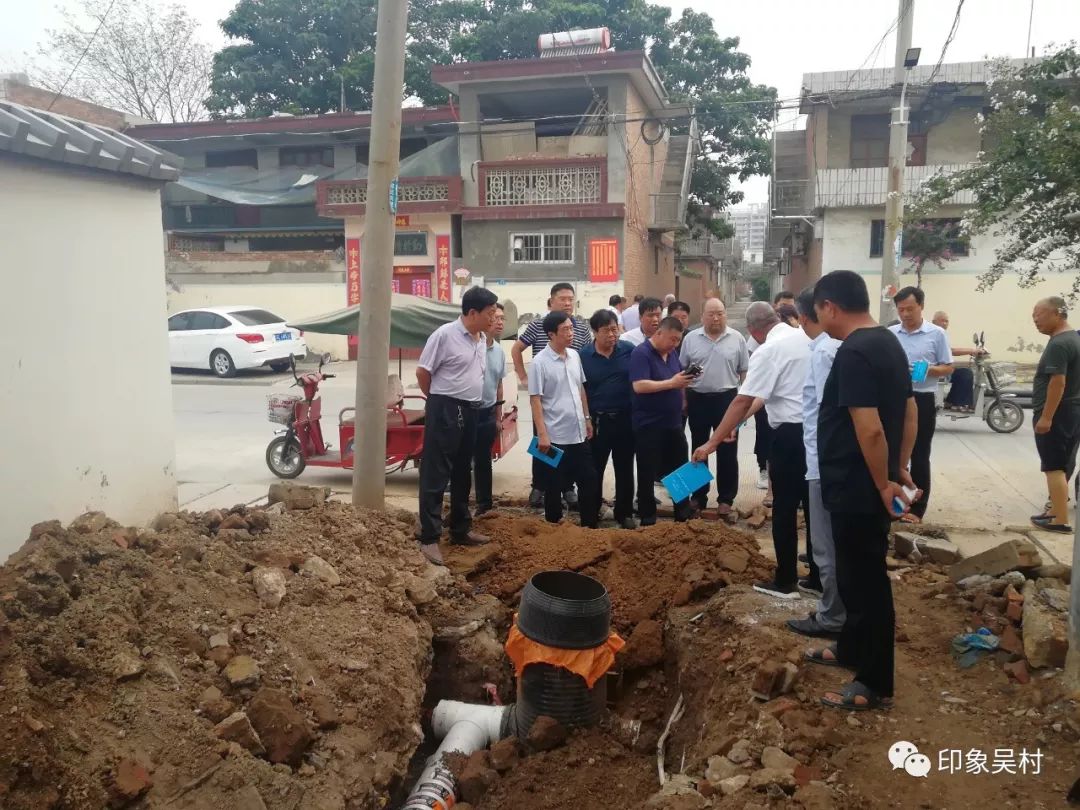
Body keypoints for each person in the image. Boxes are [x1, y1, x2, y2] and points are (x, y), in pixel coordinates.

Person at [807, 270, 917, 712]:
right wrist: (901, 465)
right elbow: (909, 411)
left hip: (857, 486)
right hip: (867, 481)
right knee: (854, 577)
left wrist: (882, 482)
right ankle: (851, 648)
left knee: (866, 581)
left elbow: (868, 429)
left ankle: (872, 681)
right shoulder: (888, 341)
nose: (819, 319)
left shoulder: (854, 352)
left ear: (830, 307)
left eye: (818, 311)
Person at [693, 302, 813, 599]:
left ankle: (786, 581)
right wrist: (736, 424)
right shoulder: (805, 338)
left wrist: (712, 442)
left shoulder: (767, 351)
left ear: (754, 331)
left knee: (784, 506)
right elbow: (763, 395)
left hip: (790, 434)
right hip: (815, 432)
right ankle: (819, 576)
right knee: (813, 505)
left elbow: (742, 400)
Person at [416, 286, 499, 566]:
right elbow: (423, 372)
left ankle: (460, 529)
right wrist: (439, 402)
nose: (494, 318)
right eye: (490, 313)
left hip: (472, 409)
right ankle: (429, 537)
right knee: (436, 471)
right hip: (446, 407)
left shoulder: (481, 338)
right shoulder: (445, 335)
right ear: (472, 312)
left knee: (464, 470)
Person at [786, 288, 845, 638]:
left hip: (824, 465)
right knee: (832, 545)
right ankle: (840, 611)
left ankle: (832, 617)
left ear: (804, 317)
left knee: (826, 547)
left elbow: (828, 413)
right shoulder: (832, 348)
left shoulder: (824, 352)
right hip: (827, 462)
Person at [511, 282, 592, 508]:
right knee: (544, 445)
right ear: (551, 301)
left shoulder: (581, 328)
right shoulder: (538, 325)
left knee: (571, 451)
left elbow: (584, 358)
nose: (567, 303)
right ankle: (540, 487)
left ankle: (568, 489)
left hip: (570, 394)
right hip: (545, 396)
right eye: (562, 299)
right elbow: (517, 348)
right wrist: (523, 376)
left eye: (571, 299)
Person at [528, 311, 600, 528]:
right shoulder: (539, 363)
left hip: (578, 433)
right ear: (551, 334)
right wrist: (542, 434)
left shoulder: (574, 356)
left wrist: (587, 418)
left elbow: (580, 389)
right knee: (553, 485)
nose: (571, 333)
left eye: (572, 328)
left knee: (589, 480)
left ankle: (589, 525)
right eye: (566, 329)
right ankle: (553, 527)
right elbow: (535, 400)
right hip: (554, 436)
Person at [680, 298, 749, 518]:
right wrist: (683, 399)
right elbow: (682, 372)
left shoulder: (737, 339)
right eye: (711, 314)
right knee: (699, 447)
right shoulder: (690, 338)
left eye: (720, 313)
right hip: (697, 398)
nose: (716, 318)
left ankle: (726, 499)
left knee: (728, 449)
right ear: (702, 316)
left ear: (725, 315)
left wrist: (744, 404)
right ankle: (698, 496)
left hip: (727, 399)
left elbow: (744, 372)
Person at [889, 287, 953, 522]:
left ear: (921, 306)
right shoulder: (891, 333)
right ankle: (895, 505)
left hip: (922, 398)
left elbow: (948, 366)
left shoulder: (936, 334)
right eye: (901, 309)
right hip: (895, 400)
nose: (905, 314)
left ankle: (917, 509)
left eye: (910, 309)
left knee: (919, 454)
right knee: (893, 454)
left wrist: (927, 369)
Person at [630, 316, 694, 524]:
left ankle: (682, 514)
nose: (675, 344)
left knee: (681, 468)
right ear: (659, 333)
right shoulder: (641, 353)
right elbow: (639, 386)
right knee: (648, 471)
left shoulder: (672, 353)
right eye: (672, 339)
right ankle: (648, 517)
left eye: (678, 340)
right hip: (649, 425)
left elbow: (677, 379)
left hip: (673, 422)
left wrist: (683, 390)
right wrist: (671, 383)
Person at [580, 309, 637, 529]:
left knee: (624, 468)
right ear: (595, 332)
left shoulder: (629, 351)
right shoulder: (583, 356)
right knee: (594, 469)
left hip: (624, 419)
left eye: (615, 329)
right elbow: (580, 389)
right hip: (597, 422)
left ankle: (624, 512)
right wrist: (586, 419)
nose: (612, 335)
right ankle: (592, 512)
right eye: (606, 331)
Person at [1030, 297, 1080, 533]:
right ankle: (1054, 511)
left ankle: (1059, 519)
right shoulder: (1074, 339)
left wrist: (1046, 417)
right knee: (1060, 462)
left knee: (1054, 466)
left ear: (1057, 314)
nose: (1035, 319)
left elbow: (1057, 382)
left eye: (1039, 314)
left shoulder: (1059, 344)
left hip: (1058, 413)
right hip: (1071, 411)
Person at [473, 303, 506, 517]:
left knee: (484, 461)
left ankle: (484, 506)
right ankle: (457, 509)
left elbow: (498, 385)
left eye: (503, 318)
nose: (500, 322)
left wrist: (497, 417)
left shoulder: (500, 352)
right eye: (496, 317)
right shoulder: (473, 346)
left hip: (486, 414)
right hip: (467, 412)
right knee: (460, 462)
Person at [932, 310, 985, 412]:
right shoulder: (935, 333)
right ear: (934, 322)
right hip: (936, 371)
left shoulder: (941, 334)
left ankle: (952, 402)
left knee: (964, 373)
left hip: (941, 369)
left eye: (946, 321)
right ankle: (959, 403)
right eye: (942, 321)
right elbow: (951, 351)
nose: (945, 323)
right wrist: (972, 350)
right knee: (965, 374)